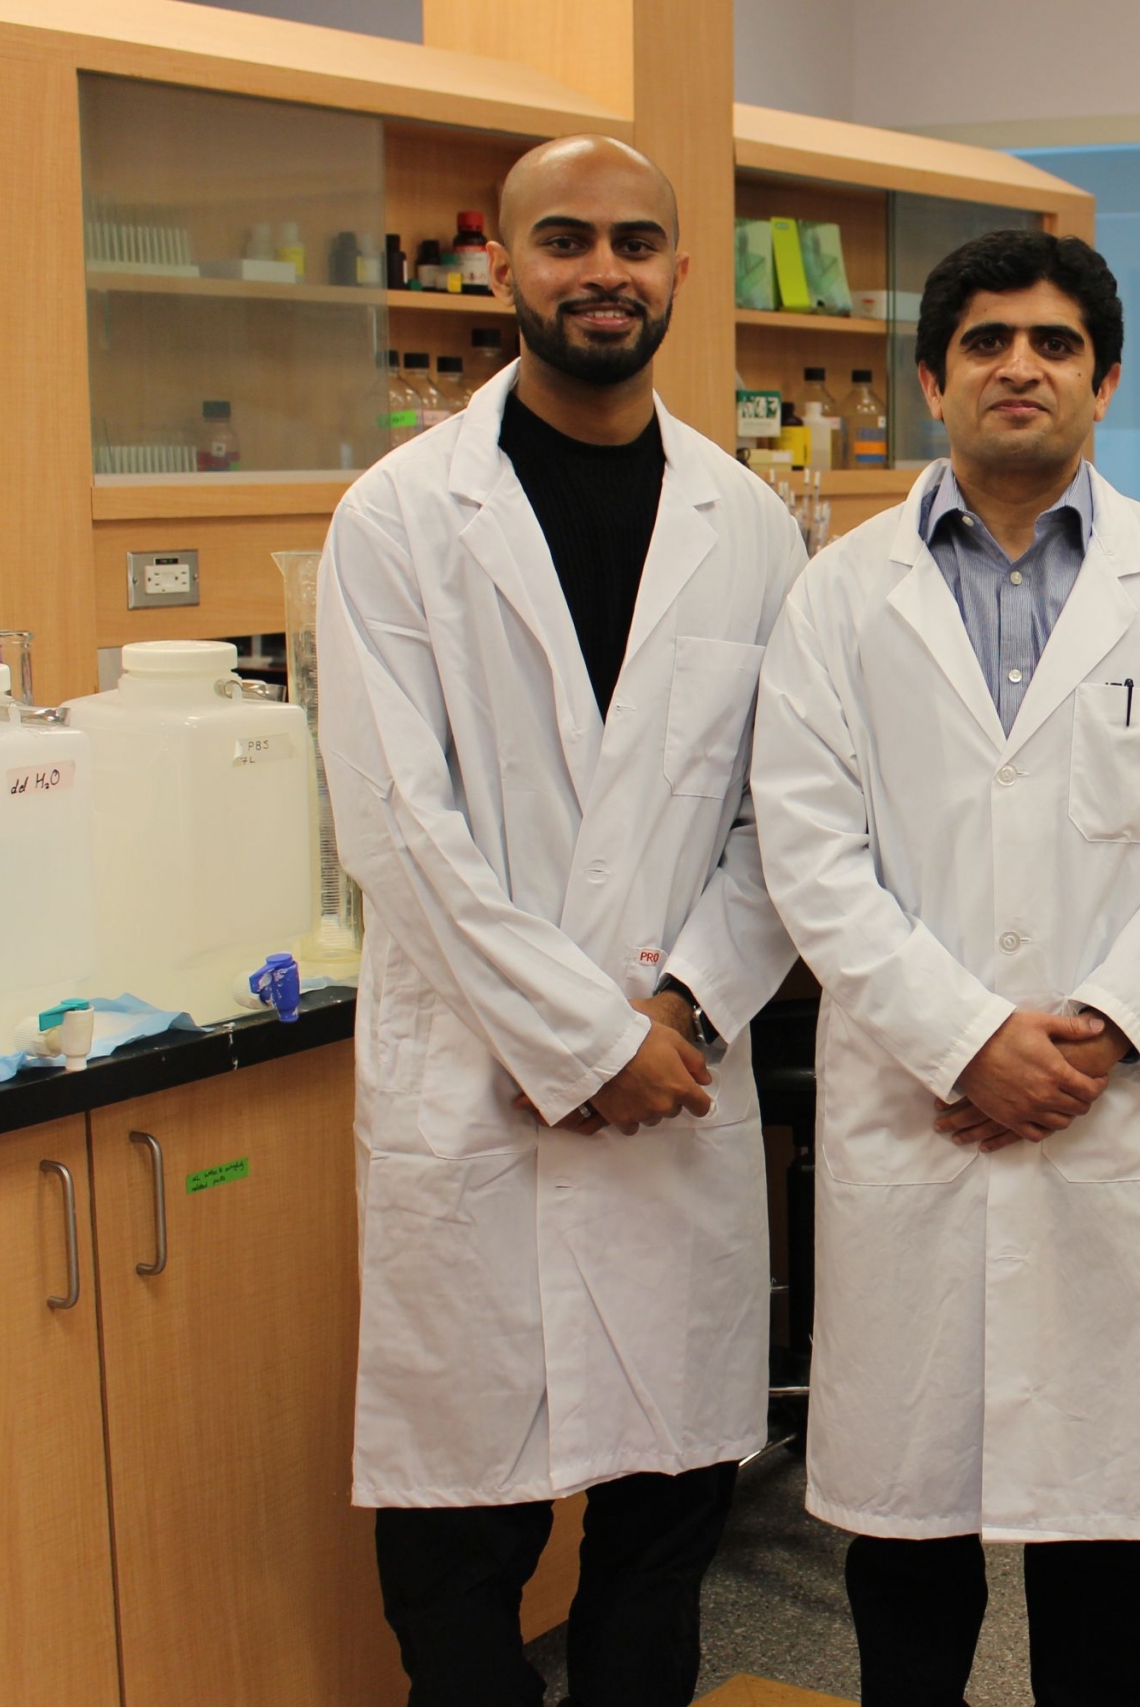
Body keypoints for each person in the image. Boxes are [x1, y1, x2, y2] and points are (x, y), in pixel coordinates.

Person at [748, 228, 1140, 1706]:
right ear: (934, 377)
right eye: (987, 341)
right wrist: (965, 1038)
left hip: (1104, 1125)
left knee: (1105, 1541)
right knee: (908, 1547)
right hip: (919, 1120)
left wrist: (1097, 1034)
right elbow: (810, 855)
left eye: (1054, 343)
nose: (1021, 367)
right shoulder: (838, 597)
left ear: (1103, 382)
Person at [318, 135, 802, 1707]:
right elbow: (399, 824)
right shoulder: (398, 517)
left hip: (678, 1083)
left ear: (678, 271)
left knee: (664, 1523)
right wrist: (590, 1039)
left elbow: (782, 822)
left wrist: (685, 1016)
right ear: (507, 268)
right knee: (459, 1539)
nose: (606, 270)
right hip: (486, 1089)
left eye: (639, 242)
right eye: (568, 240)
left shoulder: (750, 525)